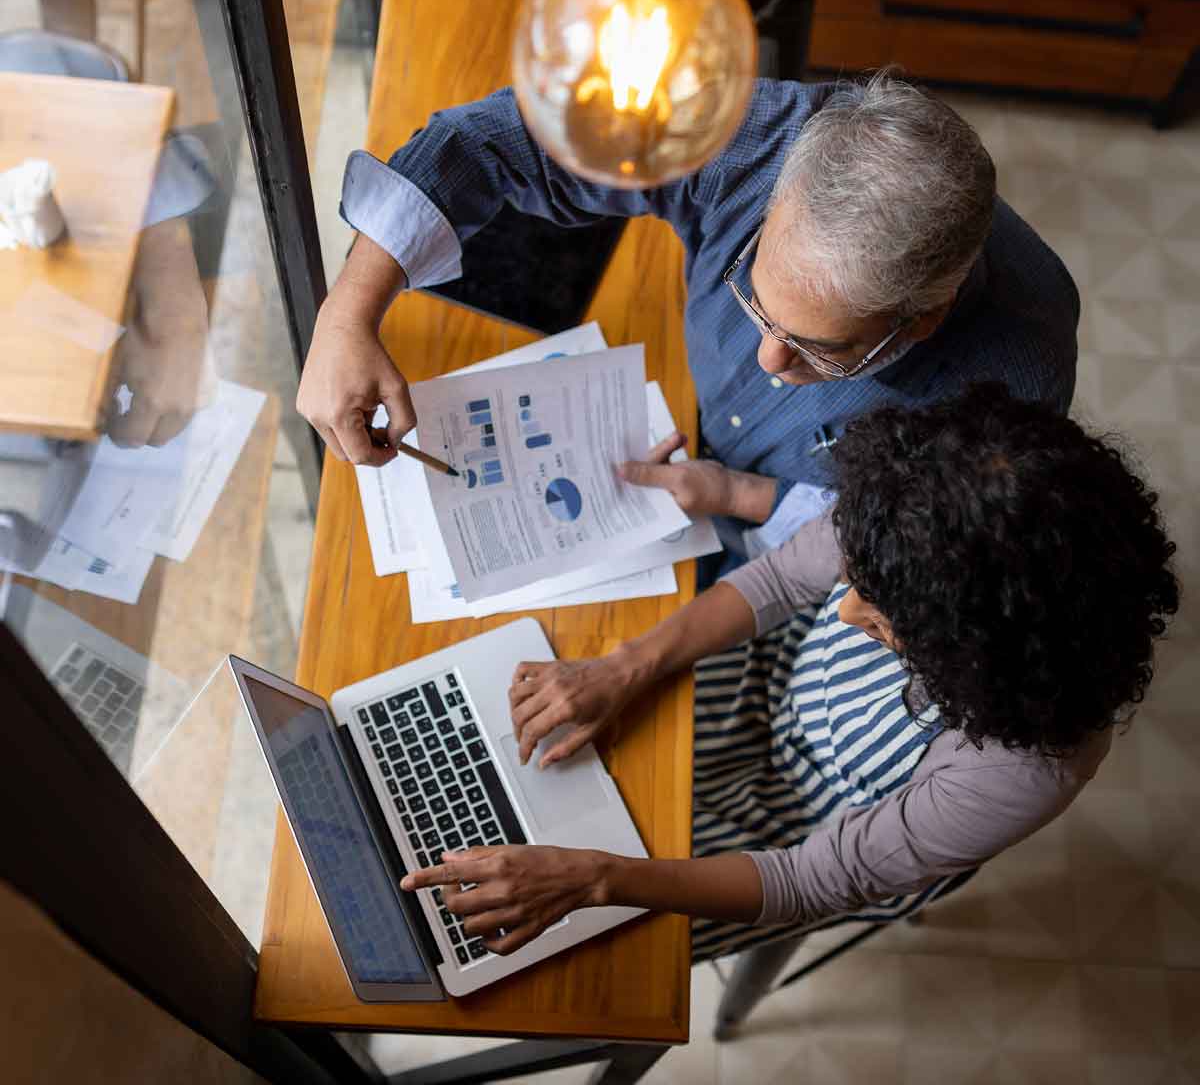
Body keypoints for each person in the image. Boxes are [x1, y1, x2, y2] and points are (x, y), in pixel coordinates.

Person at [398, 384, 1178, 961]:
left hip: (809, 833)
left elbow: (813, 878)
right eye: (859, 592)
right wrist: (623, 667)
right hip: (770, 683)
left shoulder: (1026, 771)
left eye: (879, 622)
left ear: (974, 658)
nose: (843, 615)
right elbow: (779, 586)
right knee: (525, 773)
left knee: (592, 940)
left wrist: (599, 878)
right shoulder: (921, 511)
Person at [297, 73, 1080, 575]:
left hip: (772, 540)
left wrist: (737, 495)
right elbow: (491, 142)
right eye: (756, 299)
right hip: (667, 420)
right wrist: (347, 313)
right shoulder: (761, 141)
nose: (771, 359)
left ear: (923, 320)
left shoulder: (1018, 379)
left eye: (822, 350)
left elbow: (909, 549)